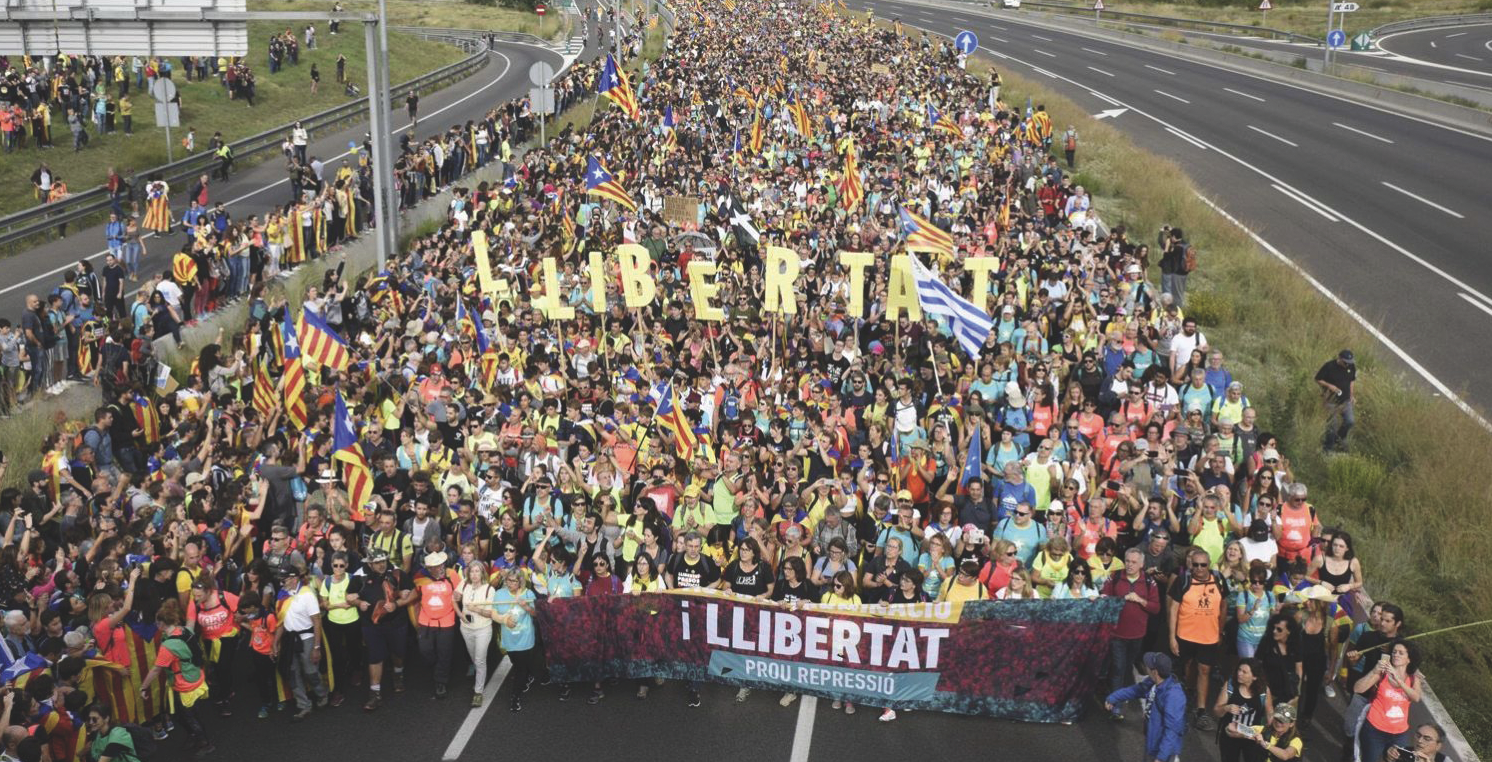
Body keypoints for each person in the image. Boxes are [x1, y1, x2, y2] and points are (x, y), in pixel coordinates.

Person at [1169, 547, 1228, 730]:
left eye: (1203, 565)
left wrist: (1220, 631)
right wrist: (1172, 637)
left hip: (1208, 636)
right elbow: (1173, 609)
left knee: (1204, 670)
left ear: (1209, 565)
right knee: (1188, 667)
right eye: (1195, 565)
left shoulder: (1218, 579)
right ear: (1190, 565)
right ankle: (1189, 691)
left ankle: (1201, 710)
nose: (1199, 569)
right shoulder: (1183, 580)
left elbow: (1224, 605)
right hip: (1186, 635)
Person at [1105, 652, 1187, 762]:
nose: (1146, 667)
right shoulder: (1153, 682)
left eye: (1148, 666)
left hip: (1163, 751)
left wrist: (1161, 757)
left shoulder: (1174, 696)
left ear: (1155, 672)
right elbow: (1135, 690)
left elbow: (1172, 730)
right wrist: (1114, 697)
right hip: (1152, 742)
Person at [1355, 640, 1423, 762]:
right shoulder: (1382, 673)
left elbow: (1416, 697)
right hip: (1375, 730)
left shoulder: (1413, 679)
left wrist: (1399, 680)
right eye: (1394, 652)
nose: (1396, 655)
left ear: (1409, 659)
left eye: (1401, 653)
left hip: (1400, 734)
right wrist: (1374, 671)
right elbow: (1358, 688)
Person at [492, 569, 538, 713]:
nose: (509, 583)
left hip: (525, 638)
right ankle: (529, 675)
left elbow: (536, 614)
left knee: (520, 669)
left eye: (513, 581)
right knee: (517, 663)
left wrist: (525, 606)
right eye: (508, 580)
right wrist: (504, 620)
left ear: (520, 582)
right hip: (509, 639)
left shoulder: (529, 594)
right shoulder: (499, 594)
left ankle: (515, 697)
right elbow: (493, 613)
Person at [1225, 702, 1303, 762]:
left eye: (1282, 721)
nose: (1278, 723)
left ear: (1291, 723)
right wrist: (1238, 728)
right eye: (1277, 719)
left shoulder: (1296, 740)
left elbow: (1285, 755)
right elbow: (1231, 729)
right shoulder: (1263, 730)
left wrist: (1265, 744)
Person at [1316, 349, 1357, 452]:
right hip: (1331, 401)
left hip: (1345, 400)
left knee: (1350, 421)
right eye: (1345, 362)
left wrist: (1352, 395)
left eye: (1349, 362)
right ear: (1339, 358)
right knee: (1332, 426)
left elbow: (1352, 380)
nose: (1347, 365)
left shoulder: (1351, 366)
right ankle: (1328, 448)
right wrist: (1330, 386)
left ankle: (1339, 438)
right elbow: (1318, 379)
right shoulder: (1329, 366)